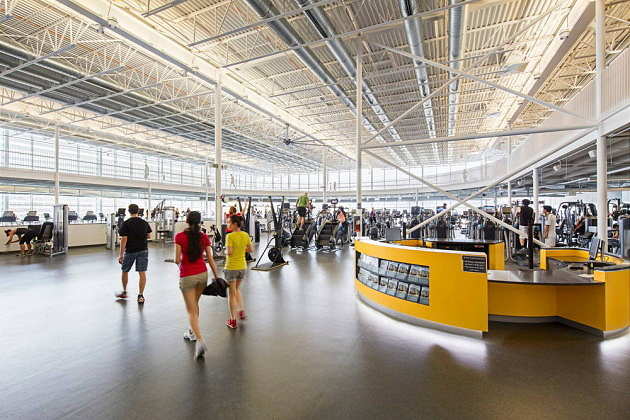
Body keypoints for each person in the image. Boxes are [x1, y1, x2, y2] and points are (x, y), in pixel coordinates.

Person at [175, 211, 220, 360]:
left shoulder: (179, 237)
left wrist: (183, 266)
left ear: (187, 221)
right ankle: (191, 331)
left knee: (191, 310)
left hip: (187, 276)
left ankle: (199, 339)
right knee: (195, 305)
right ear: (200, 222)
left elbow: (177, 260)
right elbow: (210, 258)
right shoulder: (204, 237)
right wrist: (217, 276)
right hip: (202, 275)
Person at [116, 204, 152, 304]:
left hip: (130, 251)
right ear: (138, 211)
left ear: (129, 211)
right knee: (142, 272)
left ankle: (124, 292)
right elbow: (149, 236)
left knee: (125, 271)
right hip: (143, 250)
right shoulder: (144, 222)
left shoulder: (126, 223)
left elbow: (124, 239)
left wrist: (121, 255)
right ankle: (141, 295)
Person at [224, 214, 253, 329]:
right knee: (236, 289)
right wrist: (240, 249)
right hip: (242, 267)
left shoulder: (229, 236)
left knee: (231, 294)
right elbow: (250, 249)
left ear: (235, 224)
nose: (228, 224)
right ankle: (241, 310)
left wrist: (225, 251)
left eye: (229, 222)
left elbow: (229, 252)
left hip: (231, 268)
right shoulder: (245, 235)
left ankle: (233, 320)